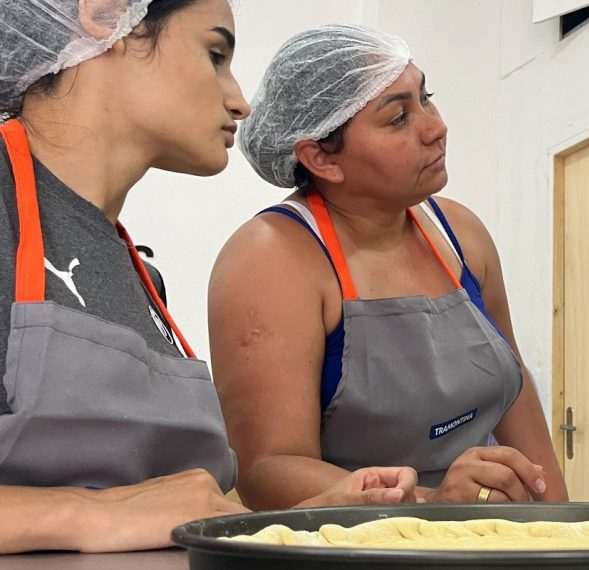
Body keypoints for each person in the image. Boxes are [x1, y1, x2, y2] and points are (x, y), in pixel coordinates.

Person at [0, 1, 413, 554]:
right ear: (106, 19)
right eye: (214, 54)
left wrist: (296, 518)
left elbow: (163, 504)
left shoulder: (137, 273)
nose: (240, 102)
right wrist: (93, 513)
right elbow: (129, 508)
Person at [209, 25, 568, 509]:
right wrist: (429, 503)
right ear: (320, 157)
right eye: (398, 117)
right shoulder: (270, 259)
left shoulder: (460, 234)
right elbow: (267, 468)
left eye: (427, 98)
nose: (435, 127)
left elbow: (515, 389)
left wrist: (563, 526)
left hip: (487, 532)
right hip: (356, 546)